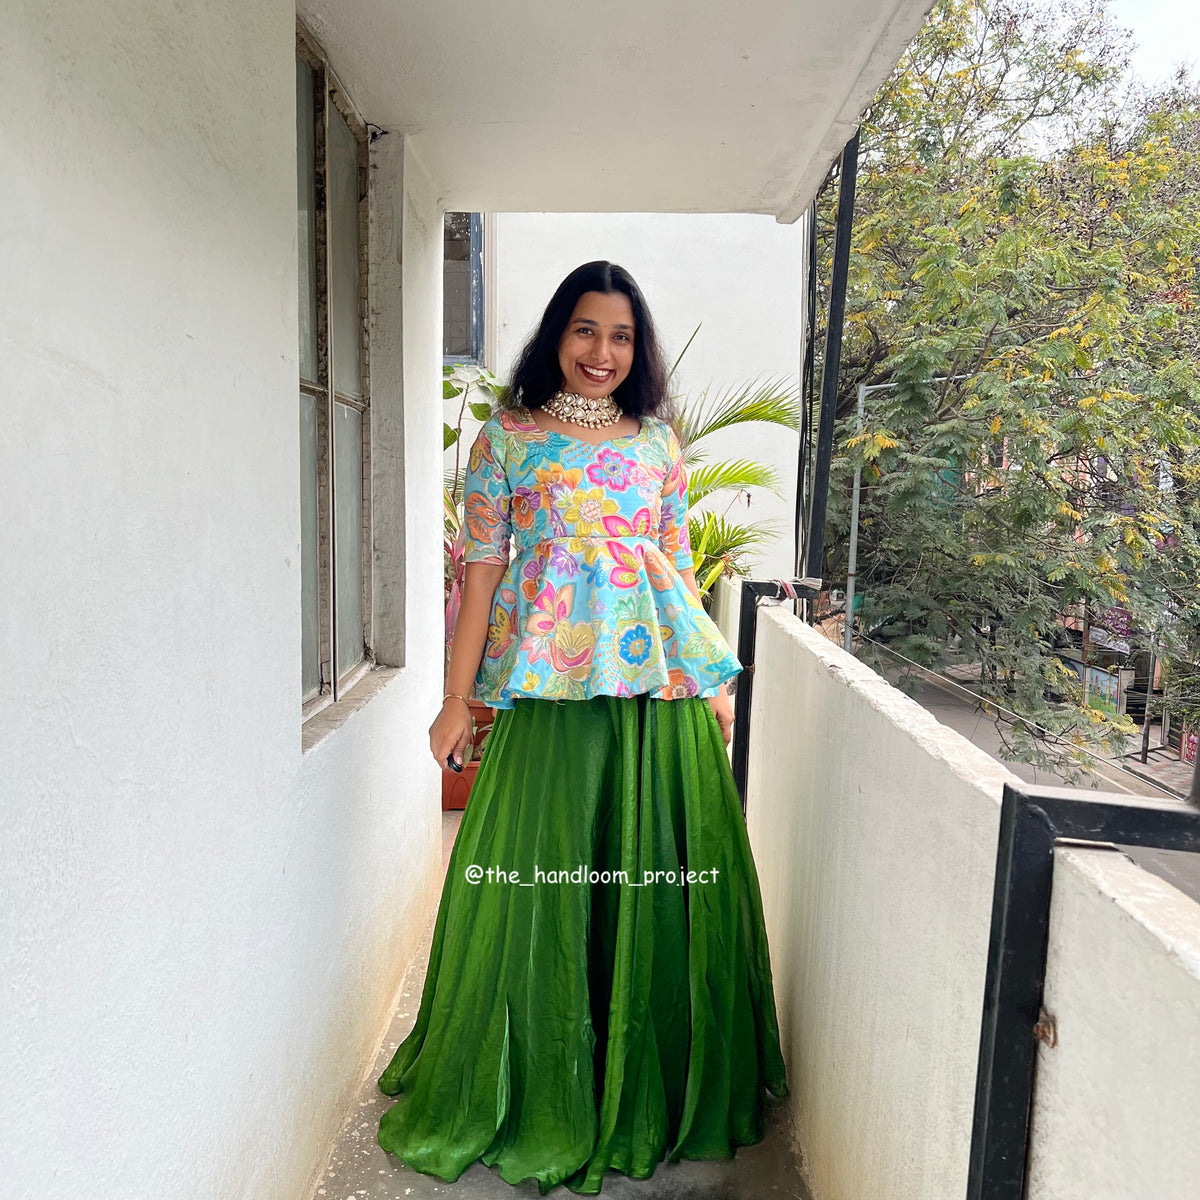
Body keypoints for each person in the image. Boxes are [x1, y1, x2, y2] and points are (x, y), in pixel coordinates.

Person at [377, 261, 787, 1194]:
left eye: (622, 336)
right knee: (546, 881)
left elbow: (675, 566)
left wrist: (711, 683)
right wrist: (456, 697)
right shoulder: (508, 437)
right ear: (556, 335)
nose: (603, 352)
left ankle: (645, 1080)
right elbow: (482, 571)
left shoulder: (659, 442)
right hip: (554, 695)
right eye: (586, 330)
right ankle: (545, 1083)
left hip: (658, 697)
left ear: (639, 349)